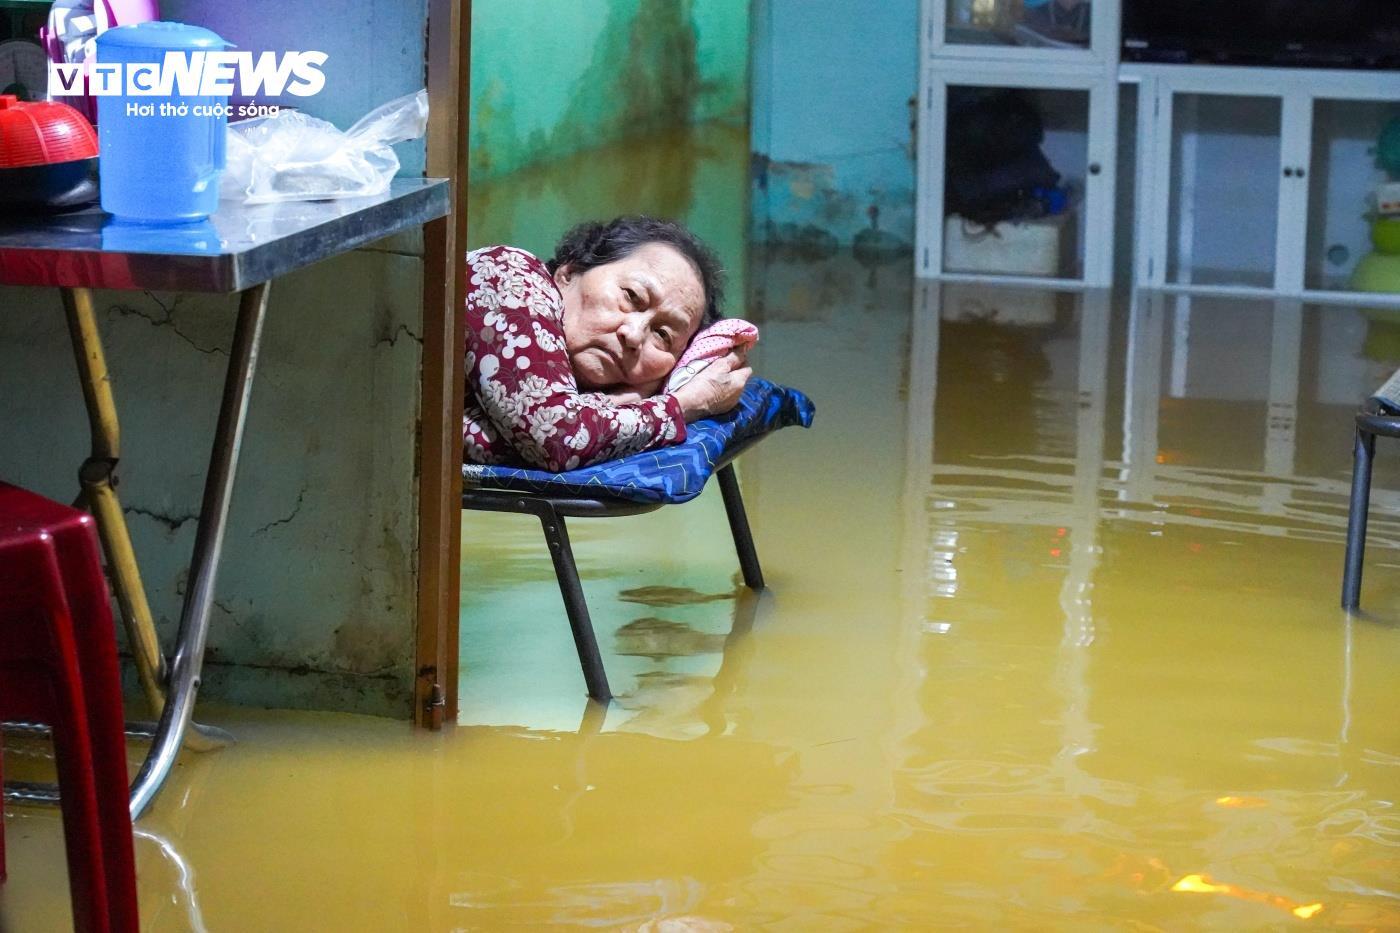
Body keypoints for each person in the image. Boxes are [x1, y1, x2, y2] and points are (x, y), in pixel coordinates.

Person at [464, 216, 753, 472]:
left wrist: (594, 409)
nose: (634, 335)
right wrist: (685, 404)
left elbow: (525, 436)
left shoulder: (568, 390)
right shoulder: (507, 274)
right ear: (570, 271)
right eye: (632, 296)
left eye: (663, 335)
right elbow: (557, 438)